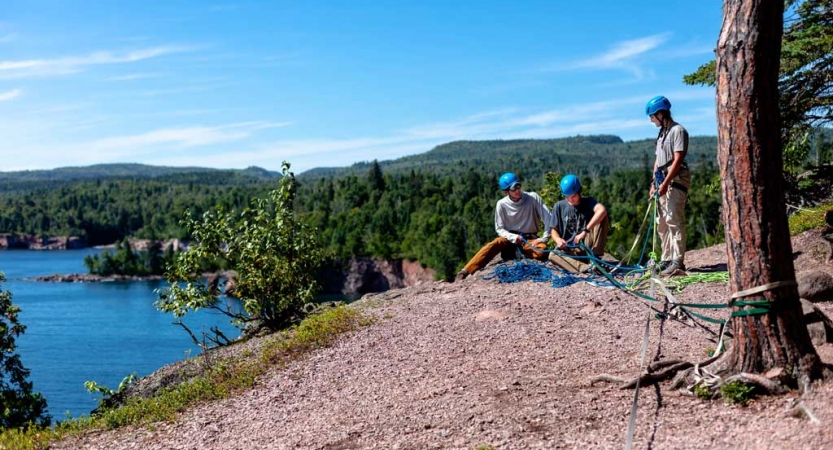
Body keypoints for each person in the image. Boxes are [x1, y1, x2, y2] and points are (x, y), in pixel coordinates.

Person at [455, 172, 551, 281]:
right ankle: (465, 271)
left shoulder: (533, 198)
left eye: (518, 186)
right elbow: (499, 228)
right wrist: (513, 237)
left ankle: (516, 253)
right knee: (493, 245)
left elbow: (549, 218)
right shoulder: (501, 204)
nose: (518, 190)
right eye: (514, 189)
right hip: (509, 238)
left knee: (542, 251)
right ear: (506, 192)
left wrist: (543, 238)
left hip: (530, 238)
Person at [646, 95, 692, 276]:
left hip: (675, 180)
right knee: (662, 223)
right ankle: (666, 259)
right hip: (662, 181)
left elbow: (678, 158)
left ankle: (677, 261)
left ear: (660, 114)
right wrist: (654, 183)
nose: (651, 120)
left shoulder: (677, 131)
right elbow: (658, 160)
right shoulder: (661, 134)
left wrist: (665, 183)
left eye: (652, 116)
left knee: (673, 219)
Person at [547, 174, 610, 273]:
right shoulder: (559, 206)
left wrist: (585, 231)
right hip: (570, 249)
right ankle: (586, 268)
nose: (571, 200)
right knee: (552, 255)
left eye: (574, 196)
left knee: (602, 217)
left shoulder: (589, 202)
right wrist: (558, 240)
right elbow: (553, 230)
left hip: (587, 246)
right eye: (567, 197)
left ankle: (595, 259)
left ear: (579, 192)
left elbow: (602, 211)